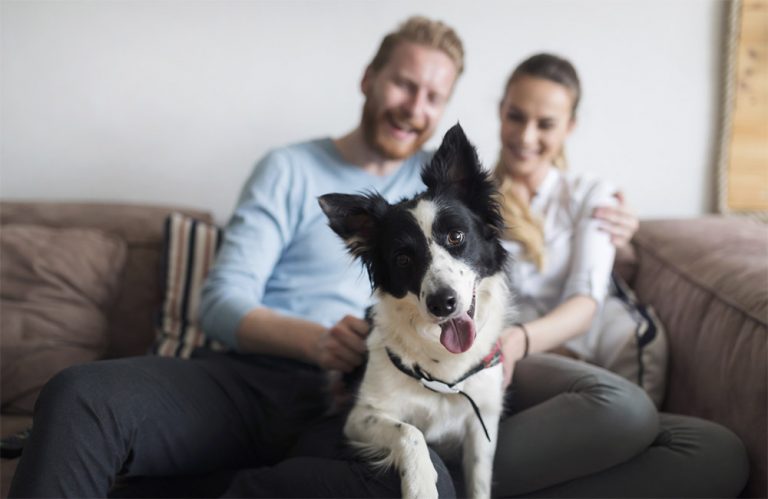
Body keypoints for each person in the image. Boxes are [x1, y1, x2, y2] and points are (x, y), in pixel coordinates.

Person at [7, 17, 665, 499]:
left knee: (422, 481)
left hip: (366, 399)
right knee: (79, 394)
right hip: (256, 377)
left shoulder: (436, 194)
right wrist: (319, 340)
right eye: (404, 84)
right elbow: (221, 300)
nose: (415, 106)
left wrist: (624, 236)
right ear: (369, 78)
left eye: (433, 97)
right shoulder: (291, 168)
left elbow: (514, 220)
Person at [487, 53, 749, 497]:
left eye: (545, 123)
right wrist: (512, 345)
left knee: (719, 451)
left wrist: (521, 338)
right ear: (501, 111)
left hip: (562, 364)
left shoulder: (592, 194)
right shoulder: (470, 200)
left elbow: (585, 304)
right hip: (513, 369)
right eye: (516, 116)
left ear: (570, 126)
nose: (526, 136)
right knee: (623, 410)